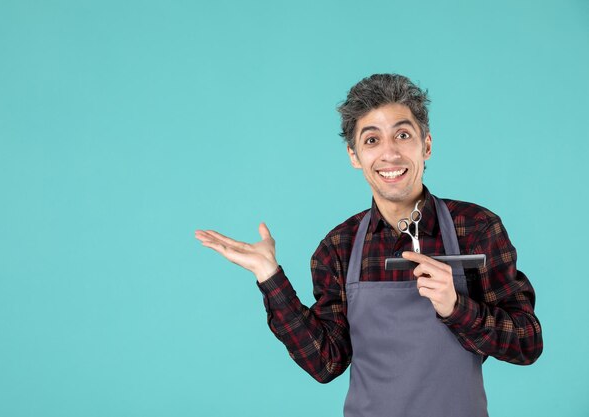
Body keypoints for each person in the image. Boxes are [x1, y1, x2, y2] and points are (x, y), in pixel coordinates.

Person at [195, 74, 542, 417]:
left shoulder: (477, 228)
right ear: (354, 155)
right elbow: (325, 362)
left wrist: (456, 308)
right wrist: (269, 276)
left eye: (403, 135)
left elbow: (527, 343)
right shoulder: (338, 248)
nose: (389, 154)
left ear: (427, 145)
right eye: (372, 140)